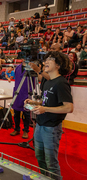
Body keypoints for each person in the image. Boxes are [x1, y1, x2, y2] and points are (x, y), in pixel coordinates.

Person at [25, 51, 73, 179]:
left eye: (50, 59)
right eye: (46, 59)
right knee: (40, 157)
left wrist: (44, 109)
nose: (45, 62)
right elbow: (46, 101)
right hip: (40, 125)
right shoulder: (47, 82)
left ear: (58, 64)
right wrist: (34, 102)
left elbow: (69, 107)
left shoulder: (61, 83)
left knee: (51, 163)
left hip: (51, 128)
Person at [10, 60, 32, 139]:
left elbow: (33, 81)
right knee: (16, 112)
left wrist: (30, 91)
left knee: (26, 113)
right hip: (17, 93)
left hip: (26, 93)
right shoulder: (18, 68)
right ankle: (16, 129)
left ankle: (26, 130)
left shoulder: (31, 67)